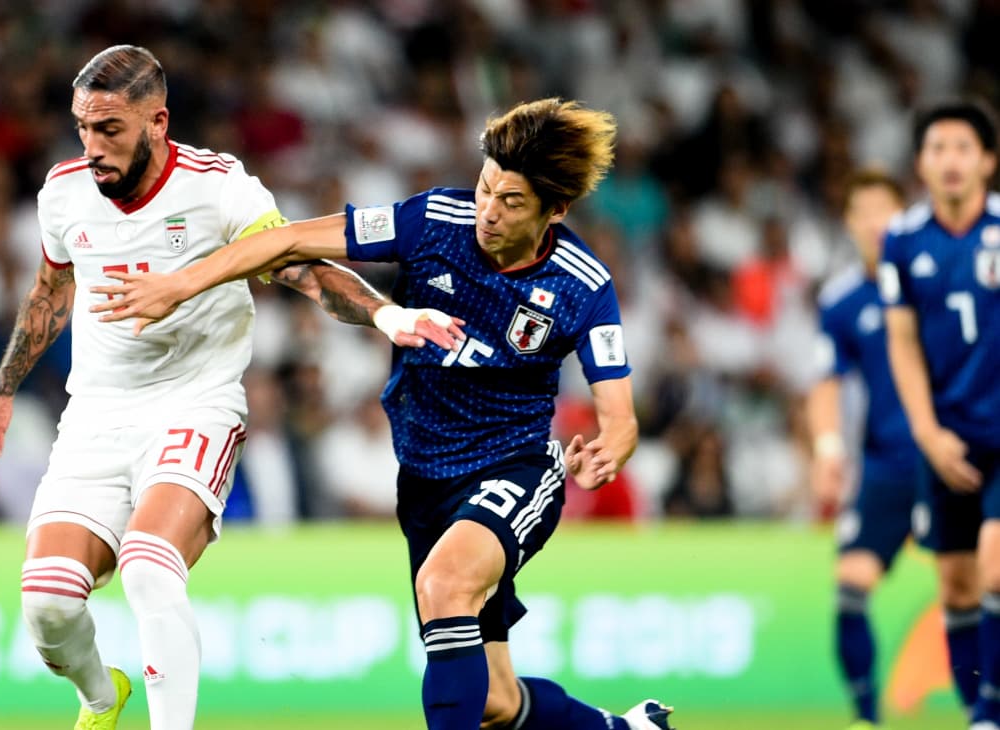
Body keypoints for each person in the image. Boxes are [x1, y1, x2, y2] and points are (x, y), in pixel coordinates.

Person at [94, 97, 672, 730]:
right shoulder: (434, 221)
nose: (487, 211)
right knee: (492, 701)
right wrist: (178, 285)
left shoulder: (582, 285)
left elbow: (620, 417)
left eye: (511, 202)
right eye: (485, 188)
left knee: (445, 585)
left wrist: (608, 450)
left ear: (554, 210)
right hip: (425, 480)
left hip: (514, 467)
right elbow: (287, 239)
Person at [0, 45, 458, 730]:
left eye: (109, 129)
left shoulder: (218, 187)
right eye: (82, 128)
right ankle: (102, 698)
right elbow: (50, 291)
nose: (93, 147)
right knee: (48, 605)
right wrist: (4, 391)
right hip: (96, 418)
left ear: (157, 122)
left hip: (194, 405)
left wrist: (385, 313)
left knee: (148, 567)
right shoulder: (65, 191)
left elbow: (302, 265)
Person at [881, 99, 1000, 729]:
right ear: (921, 163)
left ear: (987, 160)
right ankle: (977, 712)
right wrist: (927, 433)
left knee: (996, 567)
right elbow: (902, 342)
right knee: (957, 585)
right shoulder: (901, 240)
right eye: (938, 148)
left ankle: (991, 714)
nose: (951, 160)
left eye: (963, 147)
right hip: (947, 437)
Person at [806, 169, 934, 729]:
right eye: (863, 212)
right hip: (886, 468)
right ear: (849, 223)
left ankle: (986, 709)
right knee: (851, 589)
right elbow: (825, 382)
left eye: (885, 210)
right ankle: (866, 718)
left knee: (978, 582)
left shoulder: (937, 279)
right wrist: (827, 448)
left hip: (952, 461)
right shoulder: (842, 300)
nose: (874, 223)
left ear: (904, 218)